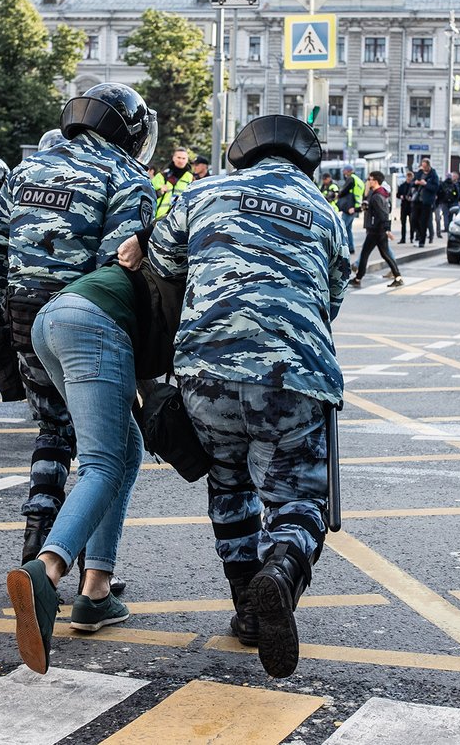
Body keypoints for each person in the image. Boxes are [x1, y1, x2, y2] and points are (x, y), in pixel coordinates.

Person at [146, 114, 349, 678]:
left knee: (228, 482)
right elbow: (331, 299)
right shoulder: (327, 212)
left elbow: (164, 264)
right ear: (306, 161)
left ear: (243, 154)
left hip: (203, 373)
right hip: (292, 376)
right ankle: (280, 572)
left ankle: (245, 607)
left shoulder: (200, 192)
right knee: (299, 501)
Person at [0, 82, 156, 562]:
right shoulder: (127, 177)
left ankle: (36, 540)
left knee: (53, 430)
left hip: (21, 317)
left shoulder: (25, 169)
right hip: (83, 321)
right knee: (105, 447)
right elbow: (118, 269)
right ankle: (76, 567)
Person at [5, 254, 177, 672]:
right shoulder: (201, 273)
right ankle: (46, 571)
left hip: (51, 319)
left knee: (126, 449)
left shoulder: (167, 245)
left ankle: (96, 593)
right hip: (93, 327)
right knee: (103, 463)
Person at [350, 171, 403, 288]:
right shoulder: (377, 194)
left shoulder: (377, 196)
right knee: (380, 254)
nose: (368, 181)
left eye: (370, 179)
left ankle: (359, 278)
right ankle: (359, 278)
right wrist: (356, 209)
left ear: (375, 181)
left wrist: (387, 229)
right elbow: (368, 207)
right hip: (377, 230)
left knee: (369, 254)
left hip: (376, 231)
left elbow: (383, 213)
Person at [152, 147, 192, 219]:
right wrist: (159, 192)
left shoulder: (190, 178)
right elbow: (148, 195)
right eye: (179, 157)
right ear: (173, 158)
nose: (181, 160)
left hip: (180, 218)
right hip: (159, 218)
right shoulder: (162, 175)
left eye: (183, 158)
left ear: (187, 160)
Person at [410, 159, 439, 247]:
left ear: (429, 166)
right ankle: (418, 235)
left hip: (426, 201)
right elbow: (412, 183)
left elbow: (435, 188)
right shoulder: (419, 173)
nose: (424, 169)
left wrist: (426, 184)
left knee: (424, 221)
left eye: (425, 167)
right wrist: (415, 182)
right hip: (417, 200)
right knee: (414, 219)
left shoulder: (433, 175)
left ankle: (421, 240)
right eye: (423, 166)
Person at [335, 166, 363, 253]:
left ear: (348, 171)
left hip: (350, 207)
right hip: (355, 207)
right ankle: (350, 248)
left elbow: (344, 190)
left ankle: (341, 249)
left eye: (344, 171)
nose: (343, 173)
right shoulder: (359, 180)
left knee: (342, 228)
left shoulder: (351, 179)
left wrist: (338, 195)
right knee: (348, 229)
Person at [396, 171, 414, 244]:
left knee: (412, 223)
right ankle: (403, 238)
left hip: (411, 206)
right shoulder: (402, 185)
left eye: (410, 177)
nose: (409, 179)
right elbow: (397, 194)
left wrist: (411, 198)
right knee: (403, 223)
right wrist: (401, 196)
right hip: (404, 206)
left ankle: (411, 238)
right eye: (408, 177)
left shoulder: (413, 186)